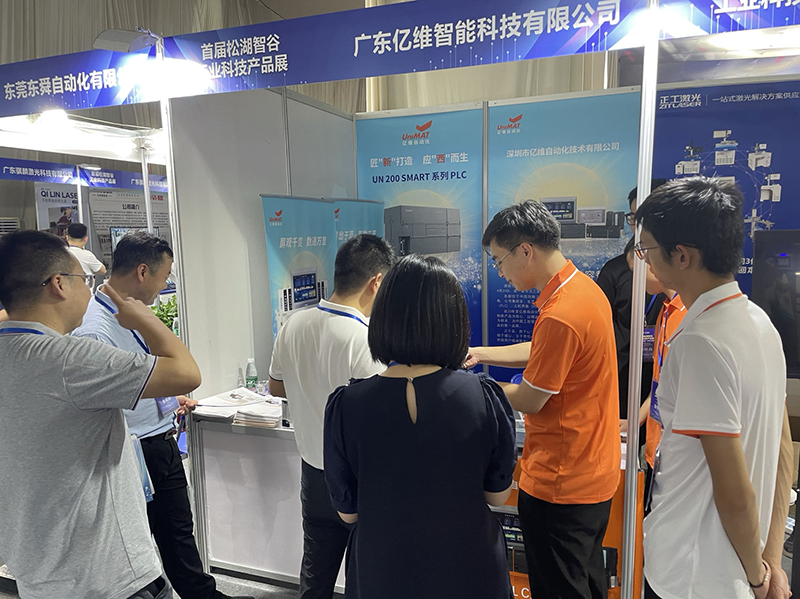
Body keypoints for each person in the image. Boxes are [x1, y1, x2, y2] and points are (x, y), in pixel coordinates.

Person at [0, 230, 202, 599]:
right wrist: (144, 318)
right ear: (59, 284)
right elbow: (187, 373)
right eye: (84, 280)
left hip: (39, 577)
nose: (89, 290)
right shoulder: (70, 358)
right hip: (109, 577)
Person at [324, 255, 517, 599]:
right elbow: (497, 495)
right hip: (469, 566)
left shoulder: (347, 405)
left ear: (384, 319)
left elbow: (348, 513)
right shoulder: (484, 397)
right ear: (454, 321)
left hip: (382, 569)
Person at [636, 177, 793, 599]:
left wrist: (759, 577)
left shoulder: (700, 342)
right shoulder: (760, 323)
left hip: (693, 574)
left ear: (681, 255)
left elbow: (734, 492)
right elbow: (783, 450)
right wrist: (771, 557)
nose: (645, 261)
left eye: (647, 249)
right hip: (732, 567)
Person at [72, 231, 251, 599]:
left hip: (159, 440)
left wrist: (168, 397)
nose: (166, 284)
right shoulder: (96, 331)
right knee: (153, 543)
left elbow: (141, 376)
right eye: (165, 275)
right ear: (142, 271)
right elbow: (105, 398)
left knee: (178, 537)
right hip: (137, 453)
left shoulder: (131, 315)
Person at [467, 200, 620, 599]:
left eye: (499, 261)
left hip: (561, 482)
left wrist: (471, 388)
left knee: (559, 588)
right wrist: (480, 354)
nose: (500, 272)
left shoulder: (561, 313)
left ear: (525, 251)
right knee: (587, 581)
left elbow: (532, 398)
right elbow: (544, 350)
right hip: (593, 471)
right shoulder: (582, 289)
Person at [268, 234, 396, 599]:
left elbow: (276, 387)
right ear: (377, 282)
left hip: (312, 470)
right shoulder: (365, 339)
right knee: (362, 576)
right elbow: (379, 418)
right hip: (358, 479)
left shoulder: (293, 324)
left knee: (316, 573)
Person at [597, 180, 666, 420]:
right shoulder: (614, 270)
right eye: (634, 218)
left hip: (660, 373)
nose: (639, 225)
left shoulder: (683, 288)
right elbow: (600, 327)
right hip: (622, 374)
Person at [619, 262, 685, 493]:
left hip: (676, 455)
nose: (635, 279)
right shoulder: (666, 311)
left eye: (638, 268)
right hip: (656, 448)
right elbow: (661, 381)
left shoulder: (688, 316)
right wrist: (635, 420)